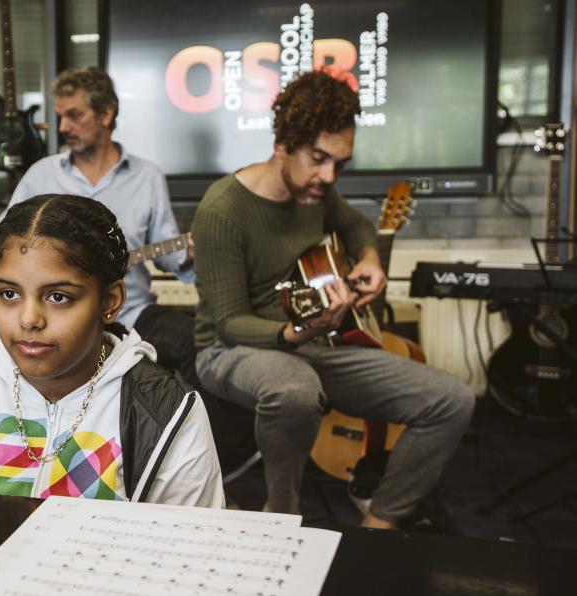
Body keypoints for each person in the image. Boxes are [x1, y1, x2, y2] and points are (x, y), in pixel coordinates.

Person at [191, 71, 475, 528]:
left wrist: (370, 259)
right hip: (231, 350)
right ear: (283, 142)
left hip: (312, 342)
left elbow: (360, 226)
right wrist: (294, 331)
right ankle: (280, 515)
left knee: (451, 399)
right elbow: (228, 322)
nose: (329, 176)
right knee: (295, 390)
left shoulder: (315, 192)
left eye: (340, 164)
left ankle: (379, 522)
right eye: (319, 159)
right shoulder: (222, 209)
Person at [0, 194, 224, 506]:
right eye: (8, 293)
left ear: (109, 302)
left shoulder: (167, 413)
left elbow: (190, 545)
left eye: (58, 297)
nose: (29, 319)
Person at [0, 67, 199, 389]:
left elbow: (169, 254)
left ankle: (196, 435)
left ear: (106, 114)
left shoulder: (147, 176)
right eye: (60, 117)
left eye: (74, 115)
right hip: (55, 314)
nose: (64, 127)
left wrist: (190, 252)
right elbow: (7, 245)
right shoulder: (42, 174)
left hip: (132, 313)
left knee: (198, 344)